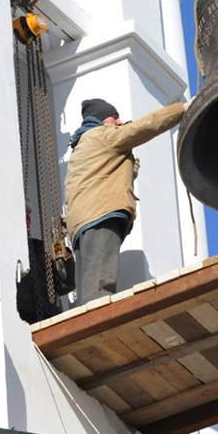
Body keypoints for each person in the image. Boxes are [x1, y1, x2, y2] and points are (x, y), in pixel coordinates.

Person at [64, 97, 187, 304]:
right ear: (103, 120)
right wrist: (182, 109)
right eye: (115, 118)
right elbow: (145, 126)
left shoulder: (81, 146)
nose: (120, 123)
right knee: (100, 288)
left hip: (80, 225)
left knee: (87, 289)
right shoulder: (102, 135)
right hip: (100, 215)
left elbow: (105, 174)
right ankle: (99, 328)